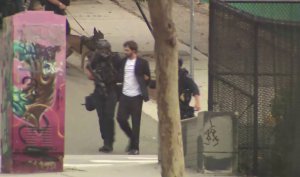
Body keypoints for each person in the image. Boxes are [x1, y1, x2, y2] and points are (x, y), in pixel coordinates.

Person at [85, 39, 121, 153]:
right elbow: (89, 70)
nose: (103, 52)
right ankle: (105, 140)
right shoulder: (95, 57)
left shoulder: (115, 58)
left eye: (105, 49)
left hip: (111, 90)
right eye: (101, 49)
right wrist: (94, 75)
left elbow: (121, 72)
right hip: (99, 90)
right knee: (102, 117)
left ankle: (109, 142)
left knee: (109, 116)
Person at [116, 40, 151, 155]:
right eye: (124, 50)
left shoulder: (142, 63)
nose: (125, 52)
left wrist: (146, 80)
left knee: (136, 123)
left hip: (136, 96)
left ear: (134, 51)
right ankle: (132, 137)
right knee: (120, 118)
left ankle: (135, 148)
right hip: (124, 95)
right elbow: (119, 75)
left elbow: (148, 78)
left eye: (127, 50)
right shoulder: (123, 62)